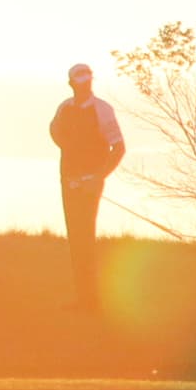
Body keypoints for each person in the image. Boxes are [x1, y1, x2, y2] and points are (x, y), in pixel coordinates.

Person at [48, 62, 125, 309]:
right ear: (71, 83)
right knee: (76, 238)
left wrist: (99, 177)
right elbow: (54, 130)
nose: (85, 85)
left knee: (85, 238)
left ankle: (91, 300)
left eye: (88, 80)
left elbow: (119, 148)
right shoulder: (64, 108)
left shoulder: (102, 110)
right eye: (80, 82)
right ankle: (83, 298)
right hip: (68, 181)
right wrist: (67, 147)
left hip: (91, 182)